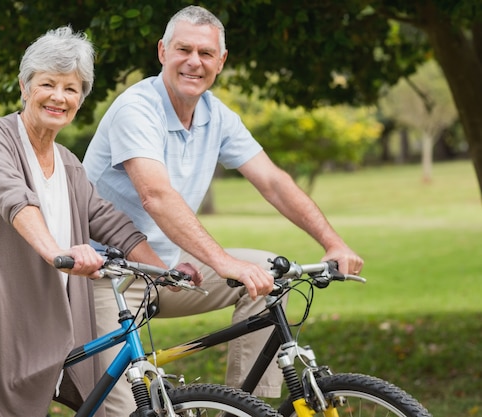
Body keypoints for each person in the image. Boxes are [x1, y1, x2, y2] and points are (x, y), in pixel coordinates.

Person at [82, 4, 365, 415]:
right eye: (183, 50)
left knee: (272, 276)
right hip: (106, 279)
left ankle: (245, 409)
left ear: (221, 61)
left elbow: (273, 181)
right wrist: (221, 261)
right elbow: (156, 196)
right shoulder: (137, 109)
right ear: (162, 51)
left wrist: (333, 242)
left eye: (206, 53)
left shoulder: (216, 115)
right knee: (127, 410)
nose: (194, 62)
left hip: (169, 272)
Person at [0, 26, 184, 417]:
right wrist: (58, 252)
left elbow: (108, 221)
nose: (59, 96)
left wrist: (163, 272)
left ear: (80, 100)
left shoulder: (69, 164)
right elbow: (14, 199)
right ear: (24, 87)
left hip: (16, 337)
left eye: (71, 89)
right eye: (47, 84)